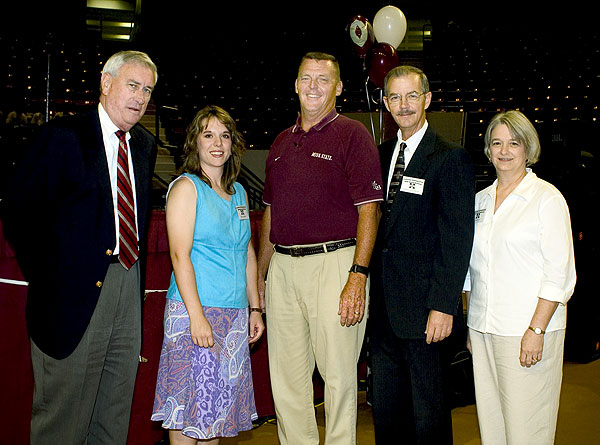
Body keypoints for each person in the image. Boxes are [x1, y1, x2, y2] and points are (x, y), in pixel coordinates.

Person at [0, 50, 158, 444]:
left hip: (127, 288)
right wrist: (54, 278)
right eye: (133, 85)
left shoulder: (143, 145)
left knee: (113, 415)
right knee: (63, 423)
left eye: (148, 90)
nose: (140, 97)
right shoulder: (64, 136)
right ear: (106, 83)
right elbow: (20, 213)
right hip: (71, 301)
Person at [256, 52, 383, 444]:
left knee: (340, 378)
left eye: (323, 80)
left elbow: (370, 211)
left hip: (336, 264)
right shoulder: (279, 142)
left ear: (339, 88)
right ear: (295, 85)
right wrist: (260, 278)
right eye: (306, 78)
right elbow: (270, 215)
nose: (313, 86)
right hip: (283, 268)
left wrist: (357, 277)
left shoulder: (353, 135)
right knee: (288, 383)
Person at [369, 65, 475, 444]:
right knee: (386, 412)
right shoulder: (378, 157)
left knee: (428, 415)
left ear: (427, 99)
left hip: (428, 313)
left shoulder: (450, 159)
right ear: (385, 104)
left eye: (412, 95)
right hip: (382, 313)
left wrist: (444, 305)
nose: (404, 104)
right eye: (395, 97)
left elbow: (457, 240)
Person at [151, 105, 265, 444]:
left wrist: (255, 308)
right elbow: (179, 255)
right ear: (194, 143)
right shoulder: (186, 187)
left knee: (214, 417)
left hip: (232, 318)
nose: (217, 143)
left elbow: (247, 252)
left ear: (233, 144)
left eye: (224, 136)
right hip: (194, 314)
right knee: (186, 412)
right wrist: (197, 316)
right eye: (208, 135)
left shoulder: (240, 193)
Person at [464, 110, 576, 444]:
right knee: (493, 427)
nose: (504, 151)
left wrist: (536, 330)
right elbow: (470, 271)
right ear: (487, 150)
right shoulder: (479, 201)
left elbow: (560, 274)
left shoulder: (547, 198)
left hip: (527, 330)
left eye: (514, 143)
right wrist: (472, 324)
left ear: (528, 148)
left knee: (528, 430)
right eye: (496, 143)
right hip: (484, 331)